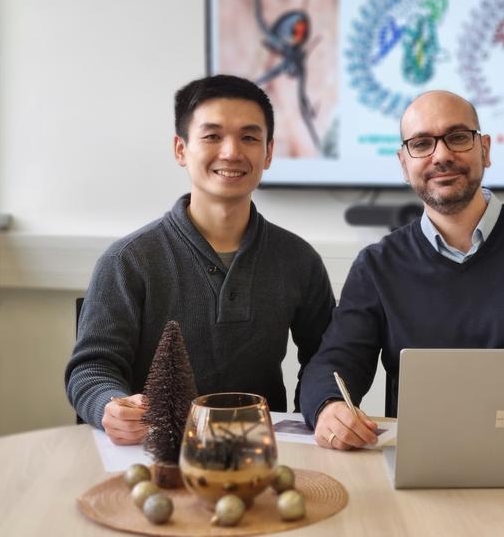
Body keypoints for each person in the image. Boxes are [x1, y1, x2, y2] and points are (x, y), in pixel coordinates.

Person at [300, 90, 504, 450]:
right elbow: (333, 365)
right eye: (422, 144)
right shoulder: (377, 266)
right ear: (404, 164)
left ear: (486, 150)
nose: (442, 155)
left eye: (458, 137)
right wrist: (329, 407)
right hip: (421, 462)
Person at [65, 75, 335, 445]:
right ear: (181, 150)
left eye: (249, 137)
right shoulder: (128, 260)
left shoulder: (299, 260)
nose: (231, 152)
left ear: (268, 153)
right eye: (212, 136)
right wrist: (109, 405)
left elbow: (324, 360)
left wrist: (322, 408)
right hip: (152, 455)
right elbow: (92, 368)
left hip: (259, 455)